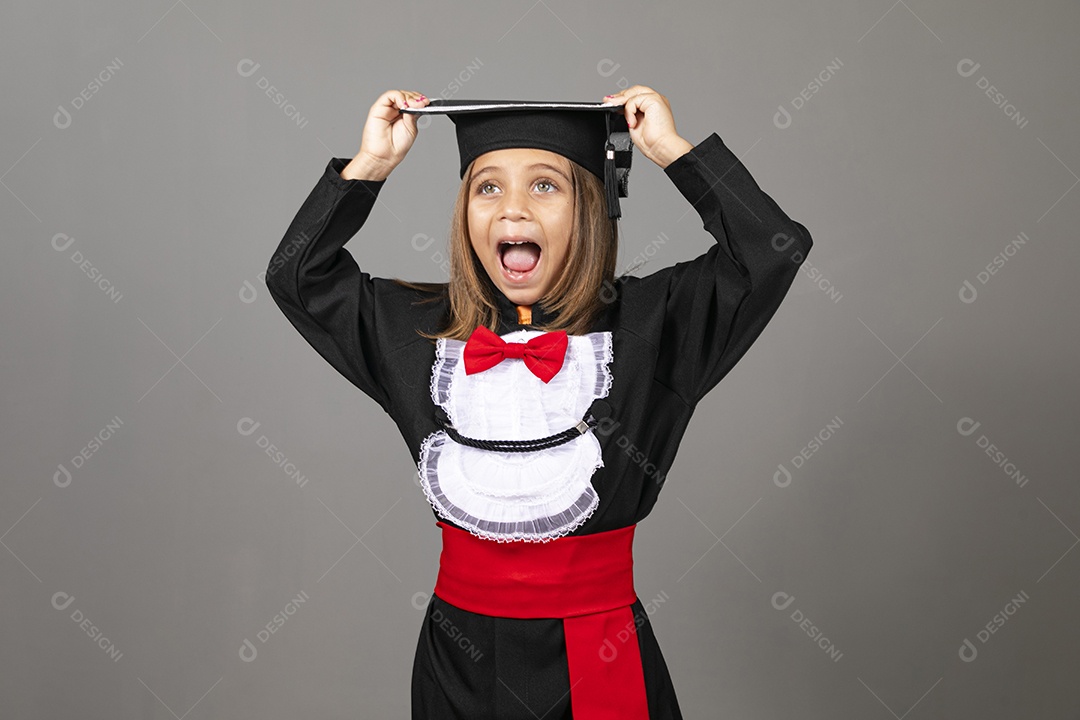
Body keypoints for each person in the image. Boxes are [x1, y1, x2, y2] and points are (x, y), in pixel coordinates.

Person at [266, 85, 813, 720]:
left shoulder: (653, 325)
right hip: (455, 665)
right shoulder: (418, 332)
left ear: (589, 206)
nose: (512, 211)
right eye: (488, 187)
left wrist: (672, 152)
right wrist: (370, 168)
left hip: (598, 657)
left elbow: (774, 250)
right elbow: (296, 277)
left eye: (546, 186)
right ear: (464, 209)